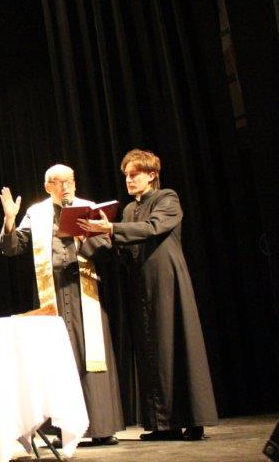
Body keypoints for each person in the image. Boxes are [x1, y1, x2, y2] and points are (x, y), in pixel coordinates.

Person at [78, 149, 218, 440]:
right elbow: (122, 246)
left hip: (167, 280)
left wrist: (112, 228)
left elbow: (153, 227)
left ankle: (192, 420)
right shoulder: (130, 209)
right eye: (126, 175)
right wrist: (88, 240)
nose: (129, 180)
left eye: (135, 174)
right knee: (150, 349)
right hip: (141, 284)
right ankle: (162, 424)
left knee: (175, 343)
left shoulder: (167, 198)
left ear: (152, 175)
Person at [0, 164, 124, 446]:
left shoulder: (88, 208)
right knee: (55, 360)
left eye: (70, 181)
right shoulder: (37, 212)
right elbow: (13, 247)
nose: (66, 187)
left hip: (83, 290)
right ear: (48, 187)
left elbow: (106, 247)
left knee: (91, 355)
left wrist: (83, 237)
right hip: (50, 291)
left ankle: (101, 427)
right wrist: (9, 220)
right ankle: (63, 430)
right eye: (58, 182)